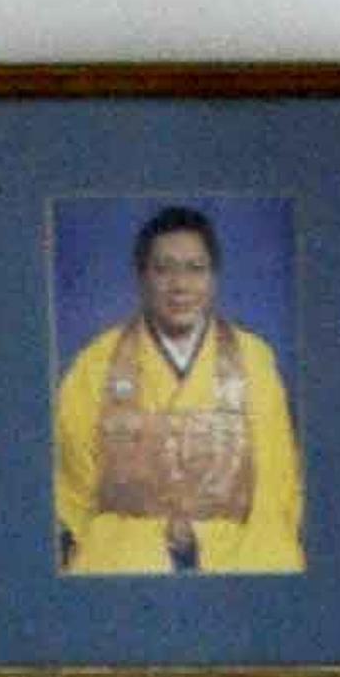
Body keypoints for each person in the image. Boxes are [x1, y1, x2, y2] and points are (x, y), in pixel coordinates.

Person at [54, 203, 306, 576]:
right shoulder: (96, 363)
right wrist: (154, 535)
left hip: (238, 546)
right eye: (163, 269)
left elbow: (277, 478)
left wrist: (203, 535)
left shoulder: (253, 358)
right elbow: (75, 485)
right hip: (126, 549)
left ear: (214, 278)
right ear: (141, 278)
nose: (180, 286)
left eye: (195, 269)